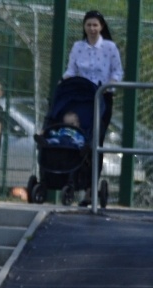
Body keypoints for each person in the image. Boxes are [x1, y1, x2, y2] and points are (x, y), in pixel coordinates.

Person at [63, 10, 123, 205]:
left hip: (101, 98)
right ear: (84, 27)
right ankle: (72, 182)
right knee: (76, 138)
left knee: (96, 141)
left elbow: (117, 72)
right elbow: (71, 69)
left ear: (101, 27)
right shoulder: (78, 47)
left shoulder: (109, 47)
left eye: (95, 25)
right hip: (80, 99)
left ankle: (91, 190)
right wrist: (65, 82)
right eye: (88, 25)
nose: (91, 29)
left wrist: (109, 86)